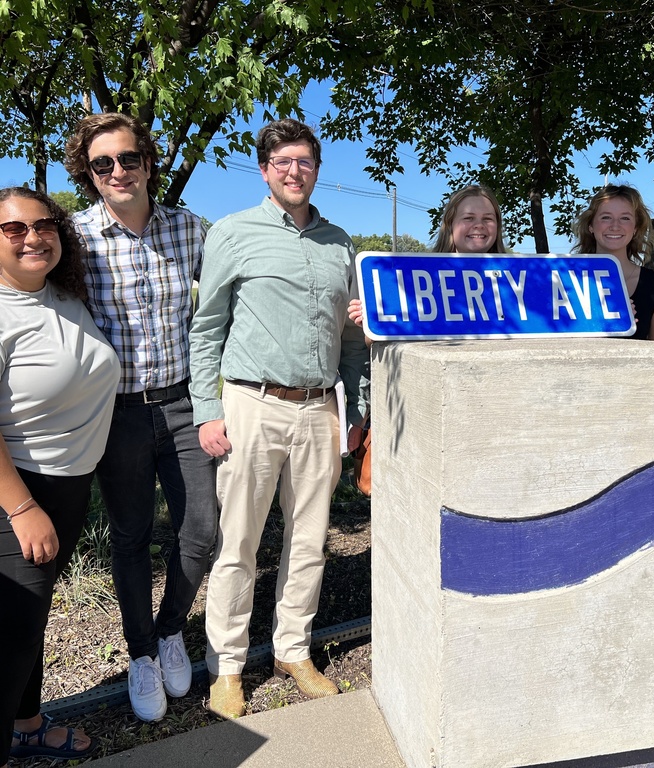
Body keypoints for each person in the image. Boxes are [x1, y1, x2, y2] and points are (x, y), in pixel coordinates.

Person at [189, 117, 369, 718]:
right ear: (266, 170)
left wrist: (356, 407)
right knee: (238, 542)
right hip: (251, 405)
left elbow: (349, 338)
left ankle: (293, 650)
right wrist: (208, 410)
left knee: (310, 541)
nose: (296, 172)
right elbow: (207, 327)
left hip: (319, 408)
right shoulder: (233, 234)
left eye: (306, 162)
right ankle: (229, 667)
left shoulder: (340, 242)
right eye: (284, 162)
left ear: (317, 170)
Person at [63, 113, 217, 722]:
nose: (118, 171)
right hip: (117, 413)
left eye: (128, 159)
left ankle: (171, 627)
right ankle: (141, 653)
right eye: (104, 164)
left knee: (202, 529)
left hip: (184, 405)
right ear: (90, 174)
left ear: (148, 162)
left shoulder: (189, 230)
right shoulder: (73, 238)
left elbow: (244, 289)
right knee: (130, 537)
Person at [0, 188, 120, 767]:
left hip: (68, 484)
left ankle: (26, 727)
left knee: (30, 622)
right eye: (13, 229)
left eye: (43, 224)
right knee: (10, 634)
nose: (32, 237)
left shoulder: (62, 295)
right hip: (17, 491)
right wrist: (23, 509)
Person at [348, 184, 506, 327]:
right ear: (450, 224)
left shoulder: (517, 281)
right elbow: (374, 343)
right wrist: (371, 323)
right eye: (468, 218)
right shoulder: (416, 279)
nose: (479, 225)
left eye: (488, 218)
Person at [573, 184, 654, 341]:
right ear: (591, 225)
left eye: (625, 218)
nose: (615, 226)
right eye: (606, 217)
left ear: (635, 228)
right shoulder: (564, 279)